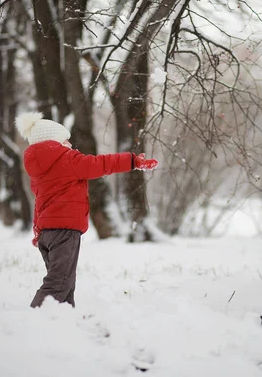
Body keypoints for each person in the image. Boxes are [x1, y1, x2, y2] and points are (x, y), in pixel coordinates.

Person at [15, 111, 159, 308]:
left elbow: (41, 203)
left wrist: (37, 230)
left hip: (47, 233)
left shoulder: (38, 169)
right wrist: (132, 161)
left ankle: (62, 320)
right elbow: (100, 164)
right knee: (58, 283)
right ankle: (37, 316)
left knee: (65, 282)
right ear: (55, 142)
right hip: (65, 231)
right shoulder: (67, 159)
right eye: (66, 141)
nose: (71, 145)